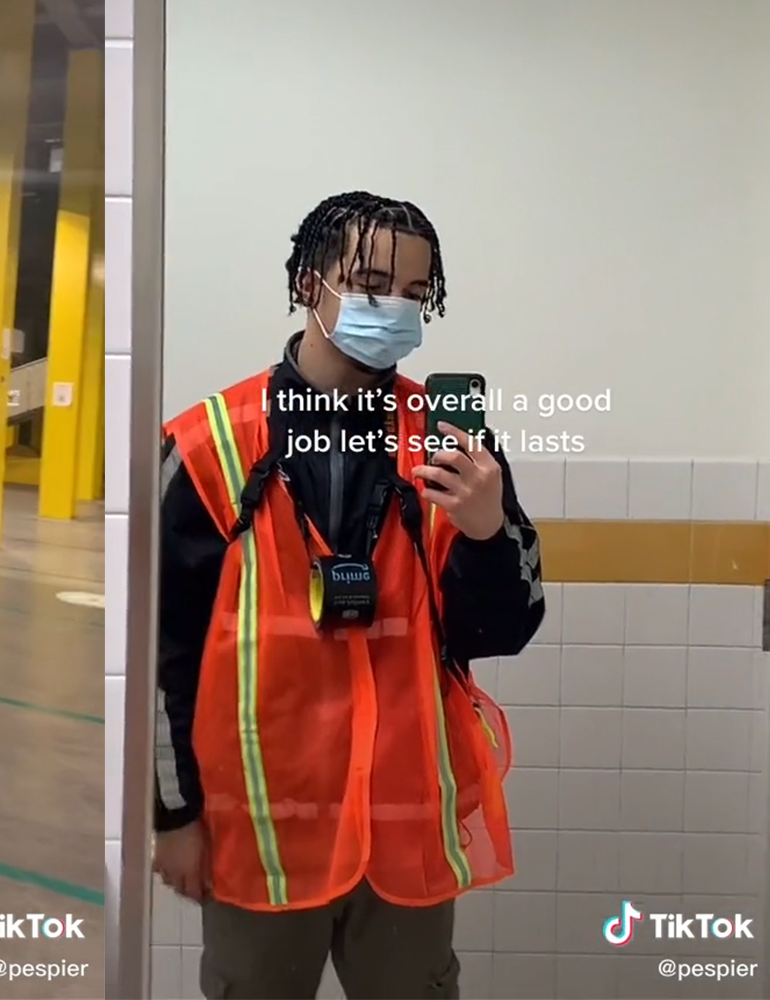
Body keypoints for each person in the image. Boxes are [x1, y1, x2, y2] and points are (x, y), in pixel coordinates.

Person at [153, 191, 543, 999]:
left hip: (406, 832)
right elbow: (164, 651)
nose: (393, 308)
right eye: (370, 284)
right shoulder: (209, 445)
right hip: (262, 832)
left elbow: (502, 630)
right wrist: (174, 815)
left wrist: (485, 532)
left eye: (413, 293)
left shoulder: (451, 443)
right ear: (309, 283)